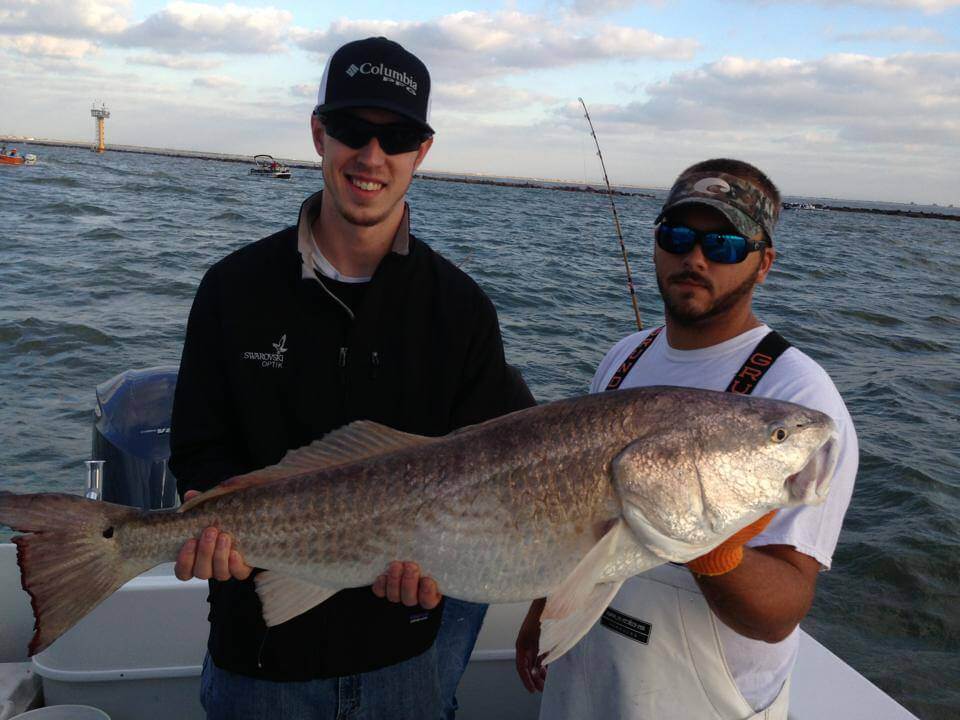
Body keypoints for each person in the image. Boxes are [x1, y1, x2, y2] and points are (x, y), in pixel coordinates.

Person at [169, 36, 535, 720]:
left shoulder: (461, 311)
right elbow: (196, 445)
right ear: (318, 133)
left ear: (421, 153)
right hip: (257, 663)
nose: (371, 157)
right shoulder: (232, 288)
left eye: (396, 136)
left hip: (405, 666)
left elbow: (508, 474)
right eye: (351, 130)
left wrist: (446, 569)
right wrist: (206, 511)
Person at [515, 159, 858, 719]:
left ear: (763, 263)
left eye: (723, 244)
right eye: (677, 236)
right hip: (587, 675)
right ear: (655, 245)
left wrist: (715, 550)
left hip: (698, 698)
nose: (694, 258)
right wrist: (543, 609)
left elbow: (779, 614)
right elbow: (582, 521)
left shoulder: (798, 399)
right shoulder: (624, 359)